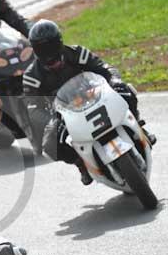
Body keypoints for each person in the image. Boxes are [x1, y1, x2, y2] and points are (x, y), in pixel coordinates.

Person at [23, 19, 156, 185]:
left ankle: (138, 126)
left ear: (59, 42)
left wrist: (114, 81)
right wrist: (50, 121)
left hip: (95, 95)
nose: (49, 54)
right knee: (49, 146)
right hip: (64, 114)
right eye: (43, 48)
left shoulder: (76, 52)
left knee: (127, 89)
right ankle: (81, 164)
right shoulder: (31, 76)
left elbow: (103, 67)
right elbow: (32, 107)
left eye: (51, 45)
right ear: (35, 49)